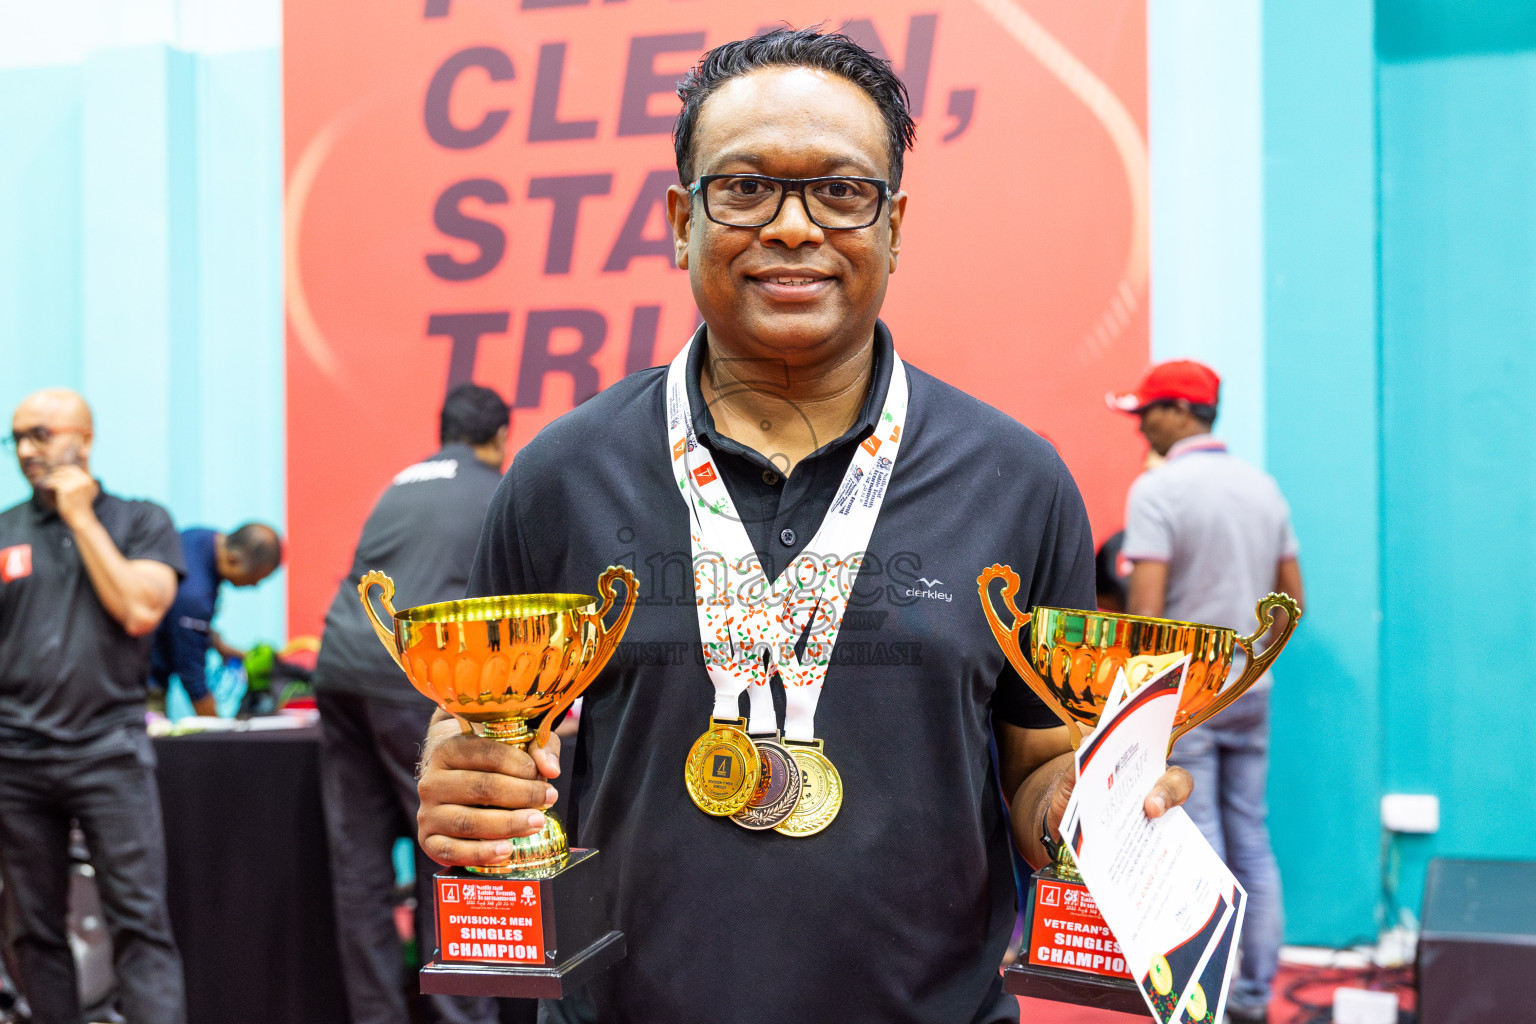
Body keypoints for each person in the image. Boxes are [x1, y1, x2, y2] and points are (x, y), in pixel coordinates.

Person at [415, 28, 1193, 1024]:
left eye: (840, 191)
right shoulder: (561, 475)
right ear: (680, 221)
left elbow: (1040, 758)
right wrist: (463, 775)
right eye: (745, 188)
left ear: (895, 226)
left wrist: (1090, 812)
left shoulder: (1015, 481)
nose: (791, 227)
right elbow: (484, 721)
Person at [1108, 359, 1305, 1024]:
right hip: (1253, 687)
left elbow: (1147, 619)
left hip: (1189, 695)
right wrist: (1246, 660)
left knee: (1199, 842)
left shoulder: (1158, 489)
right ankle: (1252, 995)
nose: (1141, 427)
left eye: (1147, 412)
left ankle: (1208, 999)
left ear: (1180, 412)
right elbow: (1293, 604)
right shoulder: (1263, 487)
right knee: (1251, 834)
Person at [314, 385, 511, 1024]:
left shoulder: (400, 484)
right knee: (450, 848)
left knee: (361, 867)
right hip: (410, 680)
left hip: (340, 672)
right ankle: (461, 1019)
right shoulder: (493, 488)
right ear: (500, 437)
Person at [0, 389, 187, 1024]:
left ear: (85, 437)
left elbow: (139, 610)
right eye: (17, 437)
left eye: (42, 433)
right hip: (16, 759)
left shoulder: (142, 521)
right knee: (31, 931)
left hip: (109, 753)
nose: (27, 449)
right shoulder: (5, 530)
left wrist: (80, 517)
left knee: (140, 923)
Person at [148, 522, 283, 717]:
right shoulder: (196, 595)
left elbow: (175, 617)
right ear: (234, 559)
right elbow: (194, 681)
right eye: (255, 577)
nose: (254, 585)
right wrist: (220, 730)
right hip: (139, 682)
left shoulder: (202, 537)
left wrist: (219, 645)